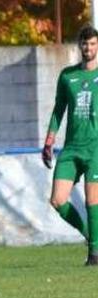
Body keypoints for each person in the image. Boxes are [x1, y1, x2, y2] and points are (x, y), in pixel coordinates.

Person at [42, 26, 98, 266]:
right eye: (85, 44)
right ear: (80, 46)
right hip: (72, 148)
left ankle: (94, 255)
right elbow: (58, 109)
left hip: (95, 147)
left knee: (92, 199)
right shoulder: (68, 76)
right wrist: (49, 139)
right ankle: (90, 236)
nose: (89, 48)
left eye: (93, 44)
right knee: (57, 199)